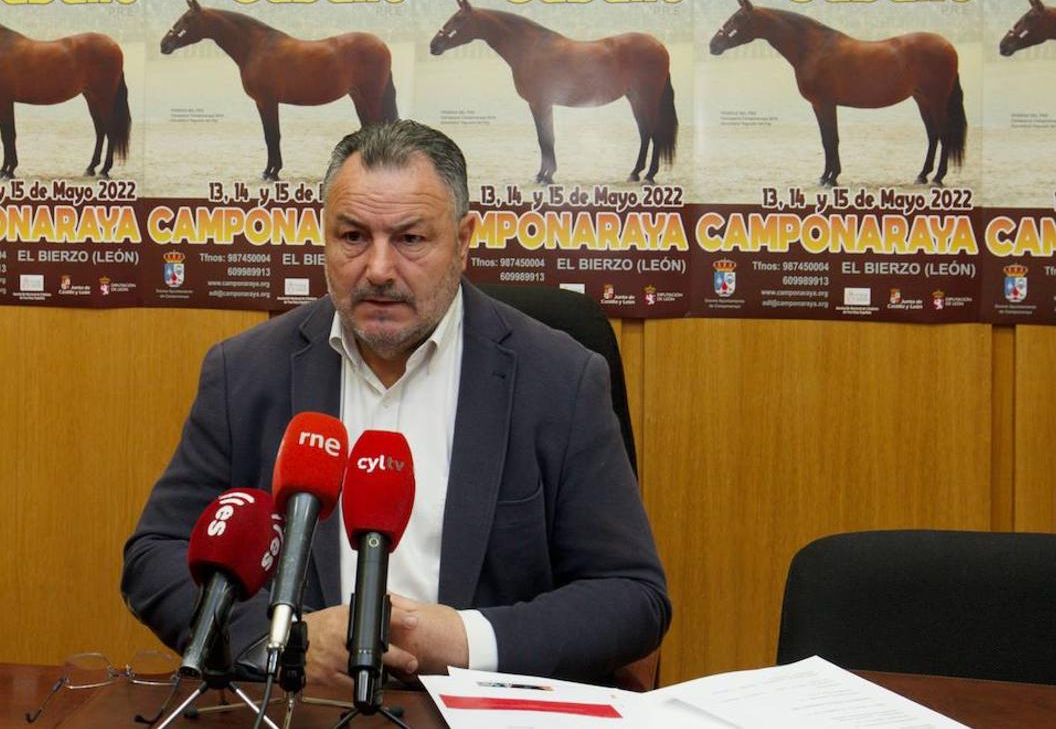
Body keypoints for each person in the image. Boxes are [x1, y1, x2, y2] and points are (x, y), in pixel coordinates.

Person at [122, 120, 670, 687]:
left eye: (410, 239)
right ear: (324, 236)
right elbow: (155, 558)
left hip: (479, 710)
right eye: (353, 236)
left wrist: (463, 639)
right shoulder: (245, 373)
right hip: (305, 708)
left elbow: (632, 596)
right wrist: (283, 642)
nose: (379, 270)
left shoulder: (559, 378)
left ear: (462, 241)